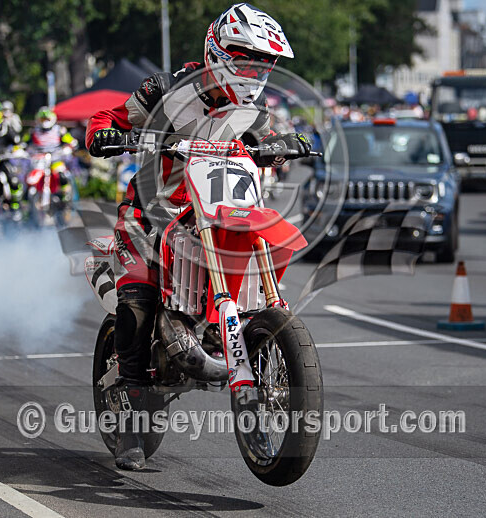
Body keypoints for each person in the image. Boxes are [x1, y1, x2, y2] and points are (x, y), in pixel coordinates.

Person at [86, 3, 312, 471]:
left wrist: (285, 147)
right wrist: (105, 135)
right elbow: (111, 118)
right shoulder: (166, 90)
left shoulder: (252, 110)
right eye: (247, 62)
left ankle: (257, 336)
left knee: (261, 246)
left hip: (220, 210)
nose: (255, 74)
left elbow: (266, 140)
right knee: (138, 296)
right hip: (154, 210)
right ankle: (131, 418)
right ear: (218, 53)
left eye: (263, 66)